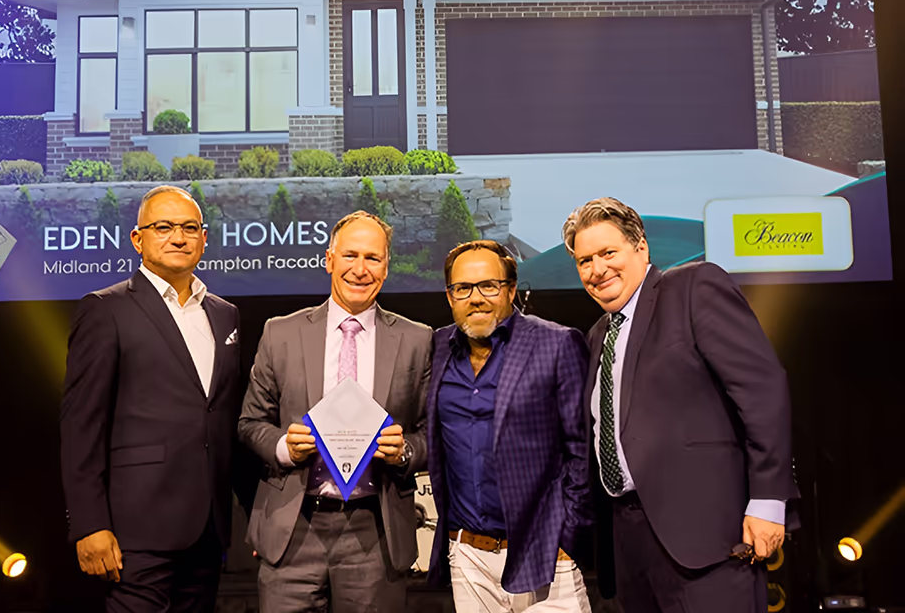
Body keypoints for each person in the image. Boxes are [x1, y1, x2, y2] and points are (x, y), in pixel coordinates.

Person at [562, 197, 799, 613]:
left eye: (607, 253)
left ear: (641, 249)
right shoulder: (598, 334)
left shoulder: (692, 287)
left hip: (708, 541)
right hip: (630, 545)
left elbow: (762, 391)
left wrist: (768, 500)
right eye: (584, 261)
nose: (596, 270)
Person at [61, 185, 249, 612]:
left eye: (189, 228)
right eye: (163, 227)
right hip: (135, 534)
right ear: (138, 239)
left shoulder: (224, 314)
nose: (178, 238)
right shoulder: (105, 310)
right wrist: (88, 525)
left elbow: (221, 419)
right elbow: (80, 427)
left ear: (204, 238)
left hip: (208, 531)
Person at [238, 210, 432, 613]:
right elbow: (250, 423)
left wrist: (405, 452)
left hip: (374, 529)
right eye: (349, 256)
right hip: (293, 527)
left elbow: (433, 434)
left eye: (372, 258)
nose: (360, 269)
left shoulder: (417, 339)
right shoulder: (281, 332)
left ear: (386, 266)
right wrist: (283, 447)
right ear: (329, 260)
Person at [427, 240, 592, 612]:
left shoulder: (555, 343)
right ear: (450, 296)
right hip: (468, 556)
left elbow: (581, 450)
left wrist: (568, 536)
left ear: (511, 289)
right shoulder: (437, 347)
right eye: (463, 288)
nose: (477, 298)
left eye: (489, 285)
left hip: (546, 556)